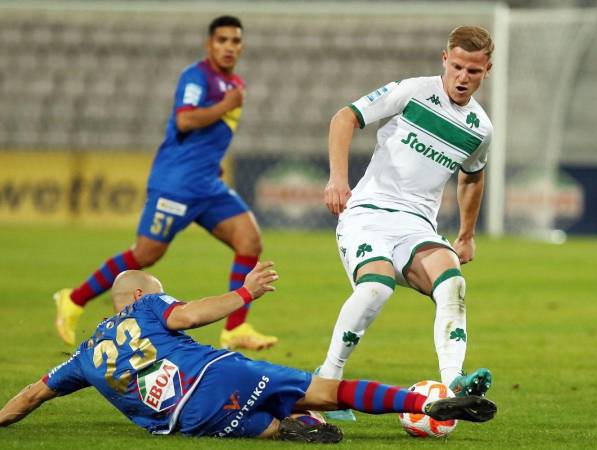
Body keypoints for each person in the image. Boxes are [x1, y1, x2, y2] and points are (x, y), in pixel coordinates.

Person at [0, 265, 497, 442]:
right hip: (215, 372)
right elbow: (192, 316)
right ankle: (424, 405)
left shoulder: (84, 356)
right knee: (327, 391)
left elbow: (30, 396)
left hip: (184, 420)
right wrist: (246, 295)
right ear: (136, 297)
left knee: (266, 420)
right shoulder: (148, 304)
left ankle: (281, 430)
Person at [53, 15, 277, 351]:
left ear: (241, 46)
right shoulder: (197, 77)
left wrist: (211, 163)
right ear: (209, 44)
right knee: (145, 254)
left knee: (249, 241)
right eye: (222, 40)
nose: (229, 47)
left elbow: (209, 137)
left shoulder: (235, 84)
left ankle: (235, 328)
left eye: (235, 41)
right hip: (176, 185)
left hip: (207, 185)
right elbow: (185, 120)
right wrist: (225, 106)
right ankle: (73, 299)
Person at [318, 26, 495, 421]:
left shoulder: (480, 129)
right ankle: (329, 377)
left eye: (474, 71)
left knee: (453, 282)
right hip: (368, 214)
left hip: (417, 227)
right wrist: (338, 179)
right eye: (458, 67)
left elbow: (472, 176)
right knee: (376, 289)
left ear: (487, 71)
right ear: (444, 60)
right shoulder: (414, 92)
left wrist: (466, 236)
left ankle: (453, 385)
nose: (463, 78)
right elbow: (345, 117)